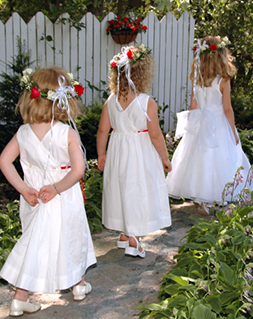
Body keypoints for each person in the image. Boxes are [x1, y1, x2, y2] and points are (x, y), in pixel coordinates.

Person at [0, 67, 96, 317]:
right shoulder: (67, 132)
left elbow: (4, 161)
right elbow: (78, 171)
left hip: (33, 199)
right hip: (62, 197)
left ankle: (23, 297)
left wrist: (24, 189)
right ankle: (77, 284)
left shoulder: (22, 133)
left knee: (36, 242)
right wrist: (55, 188)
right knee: (72, 239)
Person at [97, 45, 172, 258]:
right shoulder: (147, 102)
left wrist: (102, 154)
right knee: (137, 191)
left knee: (120, 188)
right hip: (140, 153)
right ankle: (134, 239)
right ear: (143, 73)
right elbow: (155, 135)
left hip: (118, 151)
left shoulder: (110, 101)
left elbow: (103, 130)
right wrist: (165, 158)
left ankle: (123, 233)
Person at [166, 36, 253, 210]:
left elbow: (193, 104)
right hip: (219, 122)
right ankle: (211, 197)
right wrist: (233, 132)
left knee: (199, 158)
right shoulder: (223, 80)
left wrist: (192, 124)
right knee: (218, 159)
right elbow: (227, 108)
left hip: (201, 120)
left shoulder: (197, 78)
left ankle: (200, 197)